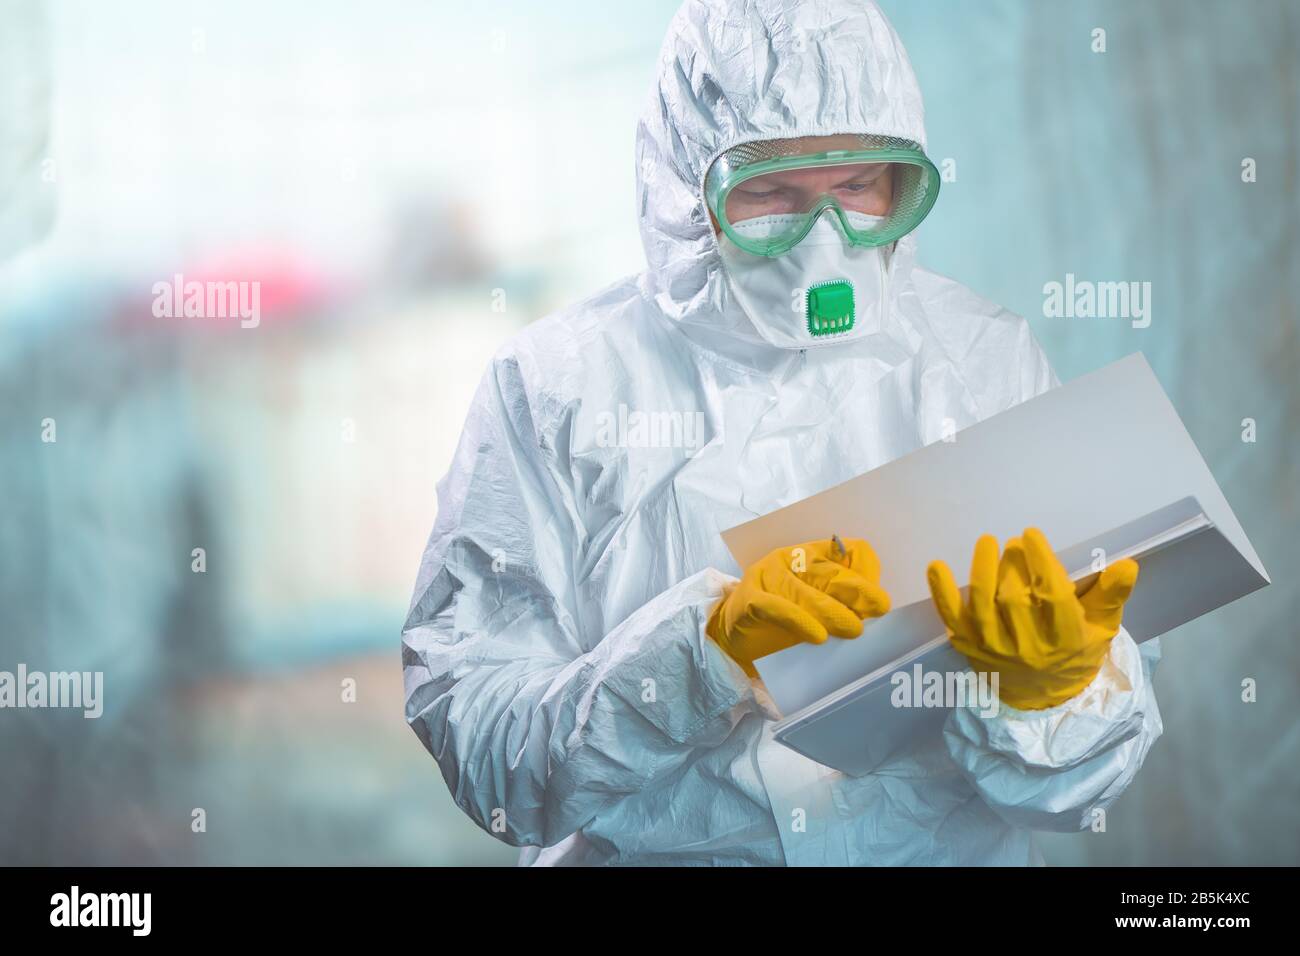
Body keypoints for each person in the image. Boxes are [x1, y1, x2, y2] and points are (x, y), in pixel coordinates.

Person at [402, 0, 1162, 865]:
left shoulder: (983, 359)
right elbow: (485, 754)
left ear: (902, 181)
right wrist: (699, 658)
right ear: (688, 187)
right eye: (769, 195)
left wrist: (1053, 694)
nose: (822, 243)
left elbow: (1086, 784)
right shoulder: (557, 388)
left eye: (856, 188)